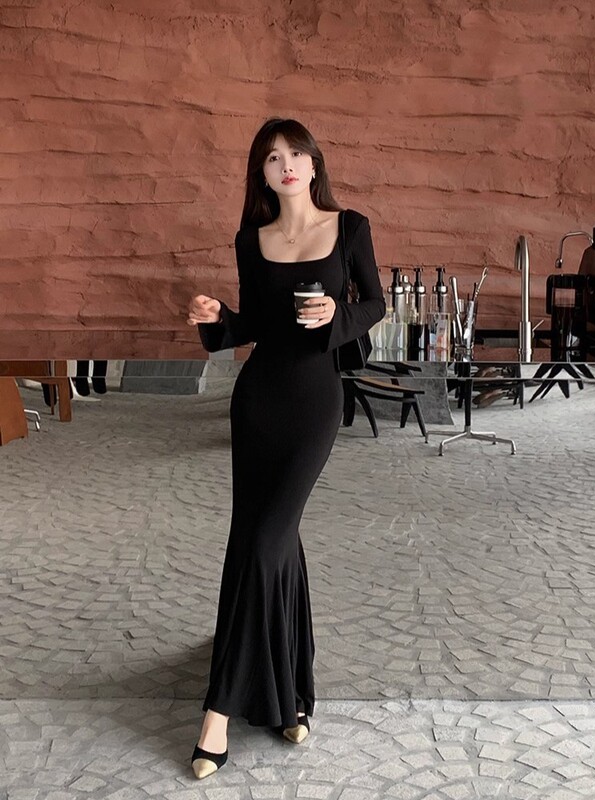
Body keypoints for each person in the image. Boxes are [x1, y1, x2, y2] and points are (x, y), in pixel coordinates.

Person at [186, 117, 385, 779]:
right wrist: (216, 321)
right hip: (258, 399)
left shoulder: (349, 227)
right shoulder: (252, 238)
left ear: (314, 162)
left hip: (313, 400)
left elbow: (376, 304)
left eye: (296, 153)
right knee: (258, 537)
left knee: (269, 537)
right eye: (273, 158)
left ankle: (219, 709)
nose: (287, 164)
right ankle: (290, 692)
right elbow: (253, 324)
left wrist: (337, 315)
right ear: (262, 174)